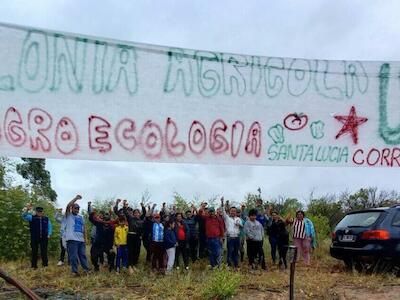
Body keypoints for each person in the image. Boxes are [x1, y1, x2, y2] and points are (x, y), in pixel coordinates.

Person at [114, 199, 144, 273]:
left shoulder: (141, 220)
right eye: (135, 213)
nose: (137, 214)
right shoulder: (131, 218)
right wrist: (124, 205)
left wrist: (143, 206)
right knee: (131, 251)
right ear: (133, 214)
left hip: (138, 237)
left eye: (138, 213)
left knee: (137, 252)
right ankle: (129, 266)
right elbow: (125, 212)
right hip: (131, 236)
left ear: (140, 214)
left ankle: (134, 265)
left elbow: (145, 213)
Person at [65, 195, 90, 276]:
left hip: (81, 240)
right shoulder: (69, 215)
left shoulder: (81, 217)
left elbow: (84, 228)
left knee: (83, 255)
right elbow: (68, 205)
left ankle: (86, 269)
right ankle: (74, 271)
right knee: (73, 256)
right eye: (75, 208)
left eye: (78, 208)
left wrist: (85, 238)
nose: (77, 210)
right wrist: (76, 198)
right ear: (72, 209)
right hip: (72, 240)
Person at [22, 204, 52, 269]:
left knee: (44, 252)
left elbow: (50, 227)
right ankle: (34, 266)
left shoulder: (46, 219)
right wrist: (27, 209)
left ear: (42, 212)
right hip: (34, 237)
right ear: (36, 212)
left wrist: (49, 234)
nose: (39, 213)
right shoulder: (31, 217)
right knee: (34, 252)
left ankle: (45, 265)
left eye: (41, 212)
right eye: (38, 211)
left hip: (44, 238)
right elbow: (23, 216)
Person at [88, 204, 115, 272]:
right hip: (98, 244)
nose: (106, 222)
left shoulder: (112, 227)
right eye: (105, 219)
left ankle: (111, 267)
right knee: (93, 256)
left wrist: (111, 247)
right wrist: (92, 213)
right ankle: (96, 267)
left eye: (107, 219)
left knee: (112, 254)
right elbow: (91, 219)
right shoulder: (99, 224)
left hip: (107, 245)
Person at [199, 204, 225, 269]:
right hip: (208, 239)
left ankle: (219, 266)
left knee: (217, 252)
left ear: (214, 212)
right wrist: (202, 207)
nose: (211, 213)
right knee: (211, 253)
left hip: (216, 238)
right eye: (210, 212)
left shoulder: (218, 219)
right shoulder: (206, 218)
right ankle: (213, 266)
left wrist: (221, 237)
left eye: (212, 211)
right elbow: (199, 214)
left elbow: (222, 228)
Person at [221, 198, 242, 269]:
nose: (233, 212)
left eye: (234, 211)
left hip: (237, 237)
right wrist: (222, 202)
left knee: (236, 252)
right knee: (230, 251)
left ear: (236, 212)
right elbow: (223, 211)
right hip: (230, 237)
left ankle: (236, 264)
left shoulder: (238, 219)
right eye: (232, 211)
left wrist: (239, 225)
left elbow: (241, 226)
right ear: (229, 212)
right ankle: (229, 265)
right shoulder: (227, 218)